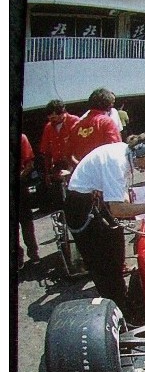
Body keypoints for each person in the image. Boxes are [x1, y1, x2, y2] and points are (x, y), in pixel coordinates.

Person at [64, 132, 145, 316]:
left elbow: (120, 196)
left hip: (93, 200)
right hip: (81, 207)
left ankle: (120, 299)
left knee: (115, 251)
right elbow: (117, 210)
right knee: (104, 265)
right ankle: (118, 313)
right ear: (141, 150)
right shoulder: (117, 162)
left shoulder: (124, 154)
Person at [39, 99, 79, 211]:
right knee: (58, 197)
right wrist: (47, 172)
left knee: (76, 193)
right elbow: (46, 152)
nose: (51, 120)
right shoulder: (48, 127)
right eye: (50, 118)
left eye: (53, 117)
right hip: (58, 164)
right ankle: (62, 218)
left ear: (62, 113)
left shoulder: (75, 121)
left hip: (74, 161)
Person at [18, 134, 40, 269]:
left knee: (26, 222)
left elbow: (30, 163)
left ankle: (33, 253)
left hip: (19, 187)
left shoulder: (21, 138)